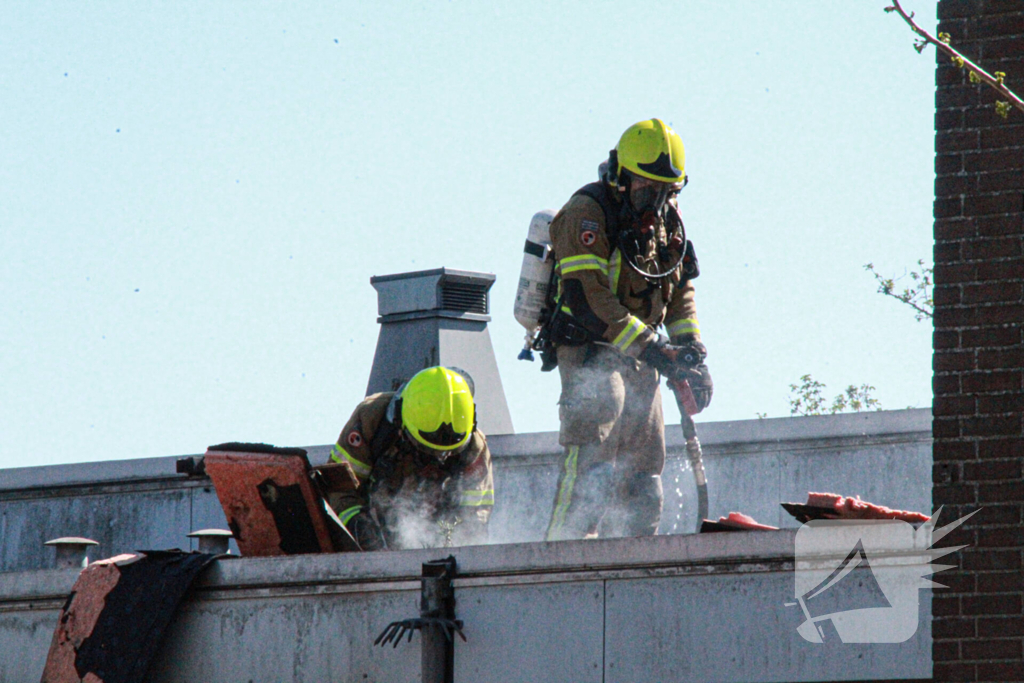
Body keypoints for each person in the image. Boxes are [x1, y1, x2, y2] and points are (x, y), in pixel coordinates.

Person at [543, 118, 713, 541]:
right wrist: (653, 348)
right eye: (646, 189)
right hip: (591, 350)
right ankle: (562, 559)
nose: (655, 202)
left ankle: (633, 568)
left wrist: (691, 352)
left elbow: (679, 292)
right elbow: (589, 299)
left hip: (642, 357)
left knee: (644, 477)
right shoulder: (587, 213)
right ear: (621, 176)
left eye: (665, 191)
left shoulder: (668, 224)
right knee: (593, 469)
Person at [325, 366, 494, 550]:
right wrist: (359, 527)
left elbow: (475, 518)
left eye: (446, 454)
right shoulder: (372, 420)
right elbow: (338, 488)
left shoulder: (474, 449)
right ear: (400, 422)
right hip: (369, 531)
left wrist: (453, 543)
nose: (435, 459)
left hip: (435, 540)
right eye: (424, 449)